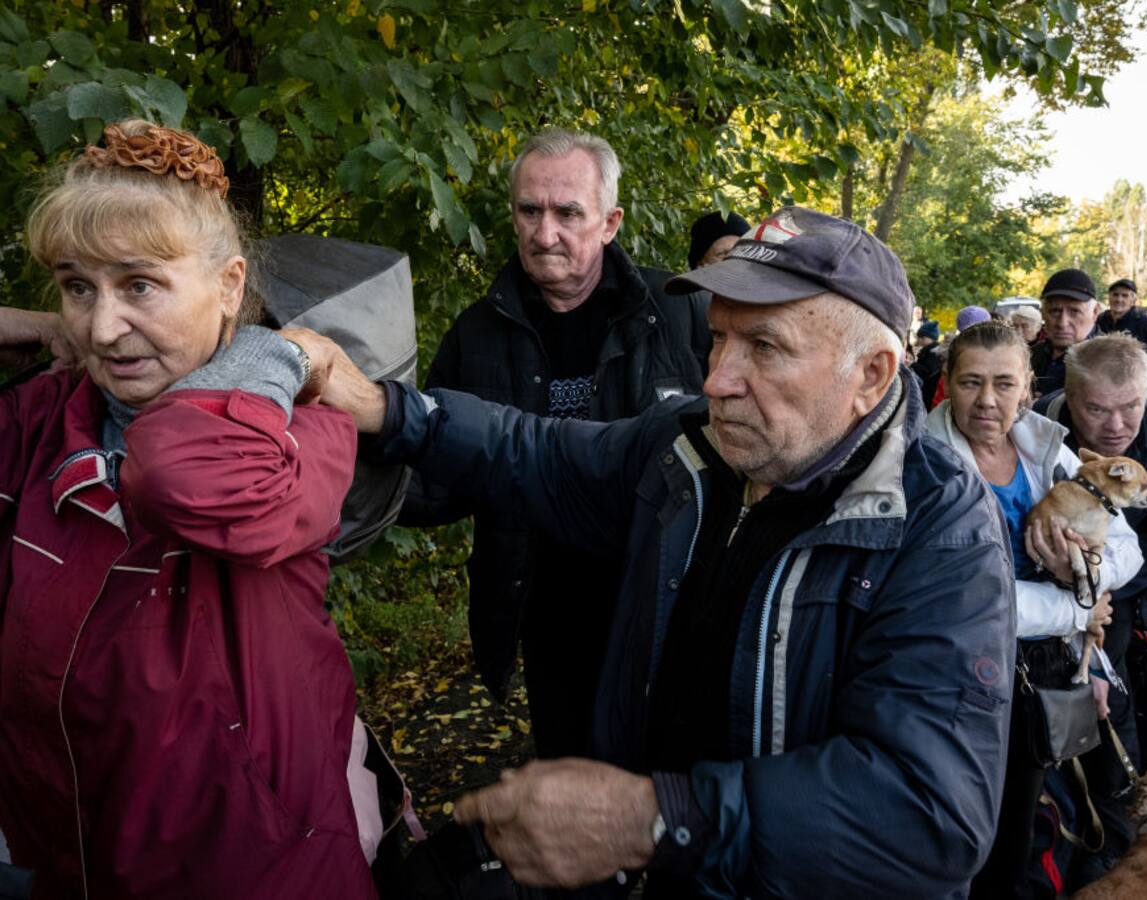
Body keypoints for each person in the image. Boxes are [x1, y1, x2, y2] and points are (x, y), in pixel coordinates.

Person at [317, 206, 1016, 897]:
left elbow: (927, 820)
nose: (716, 379)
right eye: (717, 339)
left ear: (870, 374)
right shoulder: (685, 445)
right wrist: (385, 408)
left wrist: (655, 820)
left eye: (764, 347)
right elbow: (537, 452)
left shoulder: (939, 529)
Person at [0, 121, 378, 898]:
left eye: (139, 285)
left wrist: (284, 352)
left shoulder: (307, 424)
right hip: (67, 855)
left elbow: (183, 475)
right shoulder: (40, 419)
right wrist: (36, 330)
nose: (103, 330)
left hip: (254, 865)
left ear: (229, 286)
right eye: (77, 287)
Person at [414, 128, 711, 759]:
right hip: (547, 620)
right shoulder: (476, 337)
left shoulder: (682, 314)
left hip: (667, 610)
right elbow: (432, 479)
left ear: (610, 222)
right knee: (572, 790)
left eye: (567, 213)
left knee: (668, 787)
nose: (544, 233)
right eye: (530, 211)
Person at [925, 321, 1141, 899]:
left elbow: (1127, 547)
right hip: (961, 683)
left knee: (1022, 826)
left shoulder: (1044, 446)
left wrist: (1084, 581)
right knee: (965, 830)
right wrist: (1079, 610)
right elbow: (972, 604)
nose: (988, 401)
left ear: (1027, 388)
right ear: (946, 383)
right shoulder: (924, 466)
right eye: (971, 382)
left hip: (1043, 679)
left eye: (1004, 383)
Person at [1034, 333, 1147, 879]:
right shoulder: (1043, 423)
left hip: (1136, 562)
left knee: (1116, 681)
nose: (1115, 424)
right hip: (1053, 582)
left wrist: (1109, 585)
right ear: (1069, 396)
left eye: (1130, 406)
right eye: (1096, 409)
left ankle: (1118, 837)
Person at [1032, 269, 1099, 397]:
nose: (1062, 323)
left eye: (1074, 311)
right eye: (1055, 311)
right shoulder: (1029, 356)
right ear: (1043, 313)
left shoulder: (1111, 362)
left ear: (1095, 312)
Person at [1096, 279, 1147, 360]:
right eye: (1115, 294)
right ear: (1109, 298)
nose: (1119, 299)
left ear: (1133, 301)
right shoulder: (1100, 320)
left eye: (1125, 295)